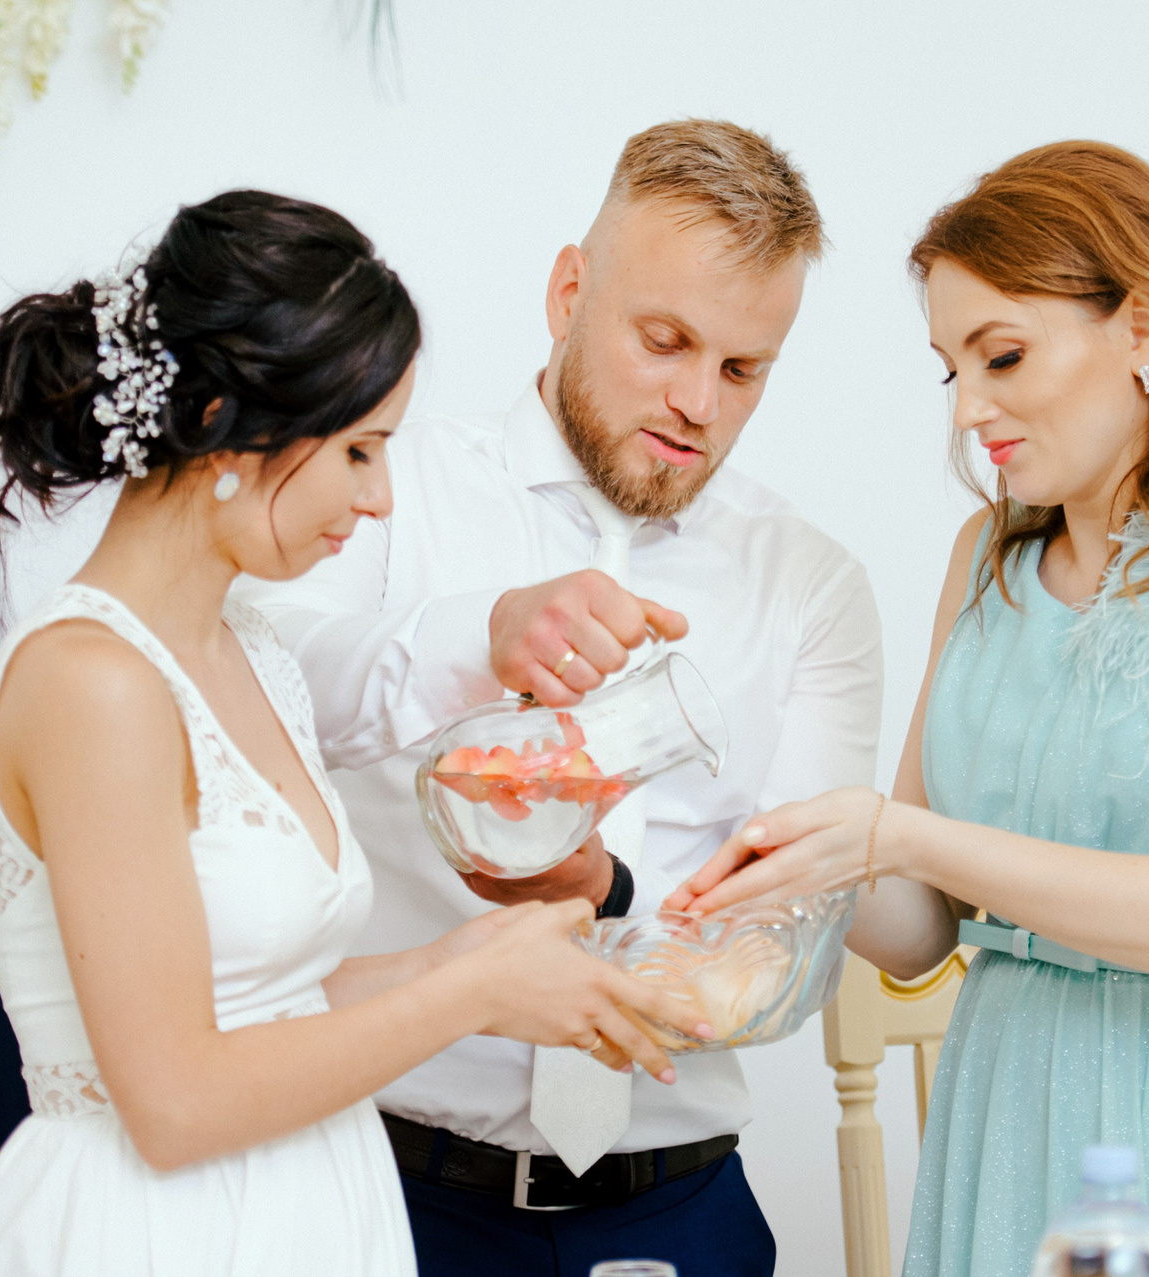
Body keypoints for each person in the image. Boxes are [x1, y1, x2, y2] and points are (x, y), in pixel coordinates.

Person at [671, 142, 1149, 1277]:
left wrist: (900, 834)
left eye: (1004, 355)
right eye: (951, 370)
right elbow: (923, 927)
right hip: (1012, 1109)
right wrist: (779, 805)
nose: (968, 409)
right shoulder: (986, 558)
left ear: (1144, 330)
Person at [0, 190, 710, 1277]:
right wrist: (469, 995)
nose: (383, 496)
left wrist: (462, 957)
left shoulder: (250, 650)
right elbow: (173, 1100)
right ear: (224, 424)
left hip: (305, 1204)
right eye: (359, 450)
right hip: (159, 1231)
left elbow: (269, 1001)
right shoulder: (92, 682)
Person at [236, 121, 883, 1276]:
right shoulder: (385, 480)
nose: (698, 402)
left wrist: (612, 896)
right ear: (568, 291)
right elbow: (254, 683)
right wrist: (474, 635)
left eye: (743, 370)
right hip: (393, 1195)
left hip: (681, 1211)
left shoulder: (812, 584)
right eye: (664, 340)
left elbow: (796, 944)